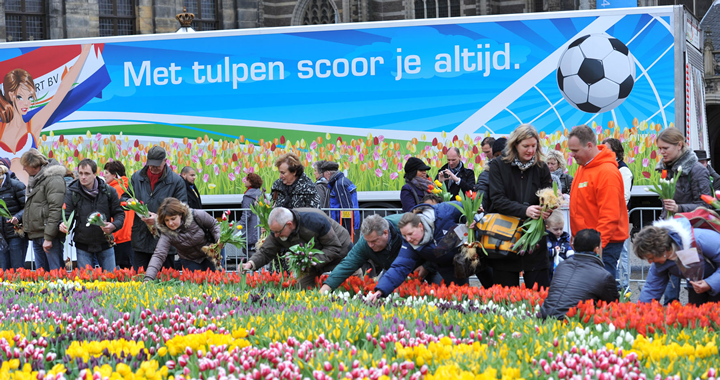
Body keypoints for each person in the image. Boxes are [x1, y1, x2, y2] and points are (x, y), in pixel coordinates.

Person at [0, 45, 92, 182]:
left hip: (31, 195)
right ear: (11, 95)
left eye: (30, 97)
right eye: (21, 97)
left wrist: (84, 54)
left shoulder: (33, 126)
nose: (26, 103)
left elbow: (61, 92)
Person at [487, 124, 553, 288]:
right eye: (526, 146)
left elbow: (548, 197)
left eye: (533, 146)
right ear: (515, 145)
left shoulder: (541, 167)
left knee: (539, 294)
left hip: (534, 239)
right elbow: (497, 199)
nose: (530, 150)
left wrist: (547, 209)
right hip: (505, 238)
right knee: (506, 298)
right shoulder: (498, 166)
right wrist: (525, 210)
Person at [366, 202, 469, 300]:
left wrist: (469, 219)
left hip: (476, 252)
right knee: (462, 297)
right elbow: (399, 267)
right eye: (404, 235)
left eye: (410, 234)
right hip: (453, 267)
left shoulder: (442, 212)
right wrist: (380, 291)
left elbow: (465, 206)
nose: (408, 239)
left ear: (420, 226)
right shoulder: (410, 244)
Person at [654, 128, 711, 304]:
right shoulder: (665, 169)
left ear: (679, 145)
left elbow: (705, 205)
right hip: (669, 233)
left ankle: (695, 315)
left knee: (693, 278)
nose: (661, 152)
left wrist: (679, 208)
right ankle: (671, 310)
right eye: (660, 148)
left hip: (690, 234)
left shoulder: (696, 171)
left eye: (665, 148)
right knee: (669, 273)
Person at [567, 125, 628, 279]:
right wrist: (576, 236)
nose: (572, 155)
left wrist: (598, 246)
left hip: (601, 244)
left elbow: (610, 215)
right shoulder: (584, 166)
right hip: (589, 242)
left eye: (575, 151)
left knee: (600, 287)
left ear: (589, 146)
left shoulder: (606, 172)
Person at [241, 207, 352, 288]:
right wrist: (251, 263)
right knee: (302, 287)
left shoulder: (314, 221)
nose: (276, 236)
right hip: (310, 259)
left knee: (352, 284)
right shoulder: (279, 229)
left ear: (289, 224)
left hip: (341, 250)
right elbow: (266, 251)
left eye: (278, 232)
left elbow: (333, 247)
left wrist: (309, 261)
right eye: (273, 232)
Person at [126, 146, 187, 272]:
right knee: (140, 281)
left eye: (157, 165)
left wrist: (158, 219)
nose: (153, 168)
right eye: (151, 165)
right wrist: (130, 202)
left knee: (165, 283)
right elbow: (125, 198)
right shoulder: (137, 177)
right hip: (141, 239)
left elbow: (182, 209)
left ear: (165, 161)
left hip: (165, 241)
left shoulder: (176, 181)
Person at [635, 217, 720, 305]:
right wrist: (642, 312)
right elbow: (652, 287)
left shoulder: (700, 239)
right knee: (698, 315)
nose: (650, 262)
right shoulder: (661, 260)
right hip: (696, 285)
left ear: (663, 250)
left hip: (716, 281)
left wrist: (710, 283)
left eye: (651, 258)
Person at [59, 159, 124, 272]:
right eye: (80, 173)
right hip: (83, 245)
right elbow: (66, 215)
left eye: (87, 174)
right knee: (86, 284)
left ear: (95, 174)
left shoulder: (109, 191)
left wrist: (113, 225)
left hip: (105, 243)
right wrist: (62, 224)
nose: (83, 177)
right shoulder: (72, 192)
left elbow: (119, 214)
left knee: (110, 282)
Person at [540, 229, 619, 319]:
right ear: (597, 250)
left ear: (573, 246)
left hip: (545, 319)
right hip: (572, 323)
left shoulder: (562, 266)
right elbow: (613, 305)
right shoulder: (604, 275)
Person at [320, 213, 403, 293]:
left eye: (374, 241)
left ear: (385, 233)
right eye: (368, 241)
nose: (370, 245)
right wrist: (324, 290)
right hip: (391, 267)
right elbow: (348, 264)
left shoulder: (405, 230)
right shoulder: (364, 243)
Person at [144, 197, 221, 281]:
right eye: (167, 220)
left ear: (180, 215)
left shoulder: (197, 215)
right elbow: (159, 255)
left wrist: (219, 239)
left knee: (215, 281)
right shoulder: (166, 232)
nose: (170, 223)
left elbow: (215, 225)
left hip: (212, 253)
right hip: (190, 259)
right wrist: (148, 278)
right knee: (196, 285)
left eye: (173, 219)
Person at [19, 149, 67, 271]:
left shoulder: (53, 179)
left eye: (25, 166)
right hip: (38, 234)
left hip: (48, 236)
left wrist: (48, 238)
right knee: (42, 276)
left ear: (34, 166)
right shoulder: (36, 179)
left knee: (56, 276)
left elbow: (55, 209)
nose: (24, 169)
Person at [602, 138, 634, 292]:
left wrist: (611, 209)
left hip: (618, 217)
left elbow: (624, 196)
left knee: (623, 252)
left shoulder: (624, 171)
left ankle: (625, 284)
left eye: (606, 148)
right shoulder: (607, 168)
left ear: (615, 151)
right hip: (609, 216)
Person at [103, 160, 135, 270]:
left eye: (106, 173)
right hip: (130, 234)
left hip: (119, 234)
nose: (104, 175)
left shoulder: (114, 189)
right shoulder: (129, 186)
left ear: (115, 175)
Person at [0, 160, 27, 270]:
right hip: (1, 237)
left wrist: (18, 217)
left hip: (15, 233)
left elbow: (28, 207)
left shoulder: (16, 185)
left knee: (17, 269)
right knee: (3, 271)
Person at [322, 161, 360, 237]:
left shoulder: (339, 184)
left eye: (324, 174)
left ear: (328, 173)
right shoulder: (342, 181)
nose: (324, 177)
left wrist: (346, 231)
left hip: (342, 226)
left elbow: (346, 208)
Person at [546, 210, 573, 279]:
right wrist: (553, 252)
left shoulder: (565, 238)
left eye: (561, 229)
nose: (559, 232)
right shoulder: (545, 239)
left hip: (562, 271)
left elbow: (569, 248)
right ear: (547, 227)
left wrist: (571, 256)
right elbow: (542, 252)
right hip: (548, 270)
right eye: (555, 229)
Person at [240, 173, 263, 249]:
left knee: (247, 249)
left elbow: (246, 213)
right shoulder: (259, 193)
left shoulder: (248, 196)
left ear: (251, 182)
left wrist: (239, 227)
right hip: (259, 226)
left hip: (251, 228)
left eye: (247, 179)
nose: (245, 181)